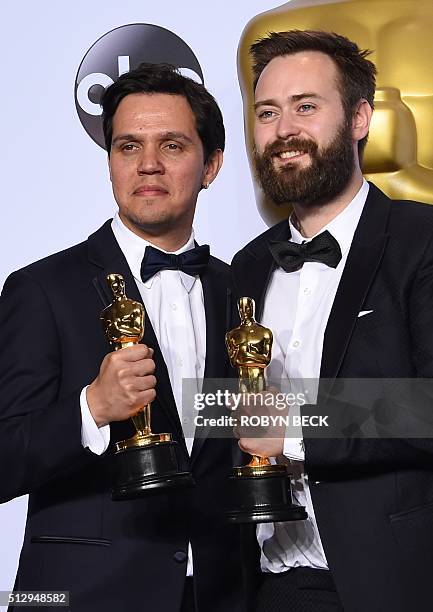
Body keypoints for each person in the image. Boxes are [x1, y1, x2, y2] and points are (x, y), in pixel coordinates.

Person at [0, 63, 245, 612]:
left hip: (222, 594)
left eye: (173, 146)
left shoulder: (241, 289)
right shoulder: (41, 289)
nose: (148, 165)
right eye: (128, 147)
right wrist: (90, 408)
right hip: (82, 596)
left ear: (212, 165)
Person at [231, 30, 433, 612]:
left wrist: (293, 428)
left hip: (396, 582)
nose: (282, 129)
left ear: (360, 119)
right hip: (275, 586)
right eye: (267, 112)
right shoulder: (247, 266)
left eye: (306, 107)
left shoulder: (420, 242)